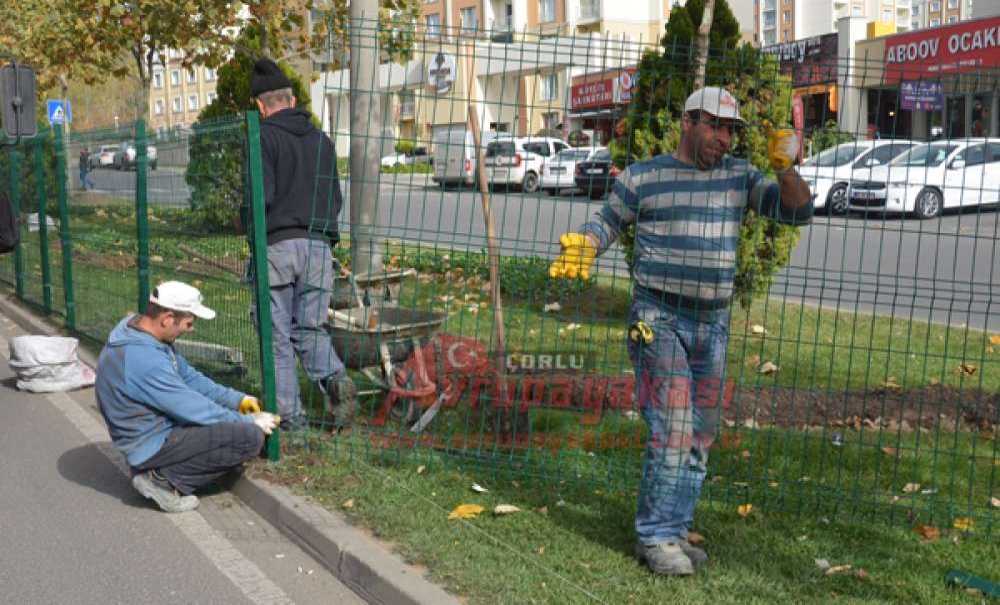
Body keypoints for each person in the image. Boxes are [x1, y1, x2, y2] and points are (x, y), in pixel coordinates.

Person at [549, 87, 813, 576]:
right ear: (687, 122)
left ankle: (673, 529)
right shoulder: (643, 177)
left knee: (701, 434)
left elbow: (797, 211)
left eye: (730, 130)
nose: (723, 138)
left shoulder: (740, 177)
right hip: (657, 320)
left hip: (713, 325)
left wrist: (785, 169)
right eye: (714, 126)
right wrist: (585, 244)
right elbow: (607, 222)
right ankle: (654, 537)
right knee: (673, 426)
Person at [96, 281, 280, 513]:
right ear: (167, 318)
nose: (191, 329)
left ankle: (156, 468)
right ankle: (162, 480)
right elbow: (195, 409)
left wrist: (237, 399)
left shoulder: (141, 332)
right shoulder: (144, 359)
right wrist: (249, 421)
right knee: (248, 438)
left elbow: (190, 378)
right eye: (188, 323)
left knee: (230, 428)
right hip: (149, 442)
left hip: (146, 432)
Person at [246, 58, 356, 431]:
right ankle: (336, 380)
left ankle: (291, 419)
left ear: (260, 106)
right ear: (292, 100)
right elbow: (335, 198)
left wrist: (250, 233)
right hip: (319, 247)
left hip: (277, 246)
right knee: (311, 329)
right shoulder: (322, 141)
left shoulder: (262, 138)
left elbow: (259, 200)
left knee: (276, 337)